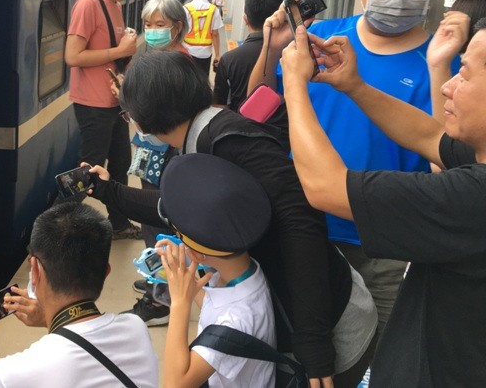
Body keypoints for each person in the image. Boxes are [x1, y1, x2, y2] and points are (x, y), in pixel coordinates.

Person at [90, 51, 377, 387]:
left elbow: (301, 225)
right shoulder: (201, 140)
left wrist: (314, 346)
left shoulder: (227, 141)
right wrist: (109, 192)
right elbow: (177, 208)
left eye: (129, 114)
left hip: (332, 328)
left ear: (145, 117)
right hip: (296, 319)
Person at [251, 0, 458, 337]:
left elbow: (449, 157)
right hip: (306, 225)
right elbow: (259, 107)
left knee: (375, 351)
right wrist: (270, 48)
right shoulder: (323, 36)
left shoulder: (443, 63)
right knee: (303, 343)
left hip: (388, 242)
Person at [279, 18, 486, 387]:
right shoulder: (476, 159)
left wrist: (294, 84)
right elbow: (429, 134)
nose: (448, 87)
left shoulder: (471, 198)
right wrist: (354, 85)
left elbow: (326, 187)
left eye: (465, 75)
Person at [0, 201, 159, 388]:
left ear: (34, 271)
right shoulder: (136, 327)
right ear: (106, 273)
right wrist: (48, 318)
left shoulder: (17, 372)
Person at [157, 153, 276, 388]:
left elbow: (174, 384)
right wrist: (191, 290)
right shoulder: (243, 271)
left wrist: (180, 303)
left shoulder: (238, 319)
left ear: (196, 253)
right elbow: (219, 307)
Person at [121, 0, 190, 326]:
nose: (151, 31)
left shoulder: (177, 63)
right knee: (152, 221)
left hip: (164, 154)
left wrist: (133, 106)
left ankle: (161, 299)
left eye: (159, 25)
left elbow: (168, 118)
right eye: (148, 24)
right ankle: (155, 279)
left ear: (177, 27)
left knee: (160, 221)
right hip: (151, 151)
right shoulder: (157, 58)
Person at [64, 0, 141, 239]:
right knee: (87, 172)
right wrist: (120, 50)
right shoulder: (89, 4)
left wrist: (125, 57)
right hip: (93, 104)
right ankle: (57, 231)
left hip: (114, 102)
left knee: (121, 166)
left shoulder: (115, 4)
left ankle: (118, 224)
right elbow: (73, 56)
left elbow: (107, 55)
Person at [213, 0, 285, 112]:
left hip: (241, 127)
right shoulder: (295, 54)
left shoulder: (228, 59)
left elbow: (220, 106)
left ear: (245, 19)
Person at [184, 0, 223, 76]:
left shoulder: (186, 9)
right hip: (205, 54)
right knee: (203, 80)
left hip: (188, 52)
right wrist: (217, 55)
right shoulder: (214, 10)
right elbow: (215, 34)